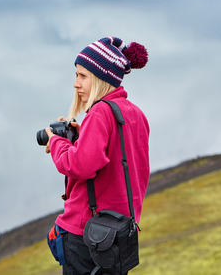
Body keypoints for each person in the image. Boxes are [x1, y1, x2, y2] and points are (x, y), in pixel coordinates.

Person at [44, 37, 150, 275]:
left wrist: (57, 141)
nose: (75, 84)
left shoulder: (100, 113)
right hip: (119, 234)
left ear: (101, 78)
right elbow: (124, 159)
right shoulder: (136, 114)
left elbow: (79, 166)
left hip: (87, 235)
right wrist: (82, 136)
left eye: (82, 76)